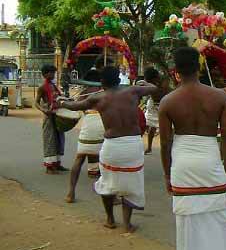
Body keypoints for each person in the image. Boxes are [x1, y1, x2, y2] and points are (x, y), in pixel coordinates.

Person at [158, 47, 226, 250]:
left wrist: (167, 174)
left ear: (176, 72)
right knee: (222, 215)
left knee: (188, 220)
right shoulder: (219, 96)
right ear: (198, 67)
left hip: (183, 162)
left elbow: (166, 143)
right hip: (211, 159)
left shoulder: (168, 102)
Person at [58, 66, 157, 232]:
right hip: (133, 145)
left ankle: (110, 219)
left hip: (112, 146)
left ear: (102, 82)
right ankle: (127, 224)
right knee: (132, 184)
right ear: (118, 80)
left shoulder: (97, 98)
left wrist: (61, 102)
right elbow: (154, 88)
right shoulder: (132, 91)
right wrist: (144, 82)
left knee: (107, 183)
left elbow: (73, 106)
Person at [65, 69, 104, 203]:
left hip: (88, 125)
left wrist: (62, 102)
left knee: (79, 159)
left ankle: (70, 193)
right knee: (106, 162)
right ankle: (111, 195)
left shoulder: (85, 93)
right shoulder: (102, 92)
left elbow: (77, 106)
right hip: (101, 125)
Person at [35, 64, 67, 174]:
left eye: (53, 72)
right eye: (50, 72)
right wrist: (44, 110)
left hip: (57, 115)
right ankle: (49, 167)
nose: (53, 74)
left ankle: (57, 164)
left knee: (59, 139)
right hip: (49, 116)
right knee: (50, 140)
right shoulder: (42, 87)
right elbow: (36, 103)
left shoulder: (54, 85)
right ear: (44, 74)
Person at [144, 67, 171, 154]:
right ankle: (149, 147)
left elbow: (165, 92)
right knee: (151, 127)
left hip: (163, 104)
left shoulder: (164, 81)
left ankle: (168, 147)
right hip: (153, 105)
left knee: (168, 129)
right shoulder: (148, 83)